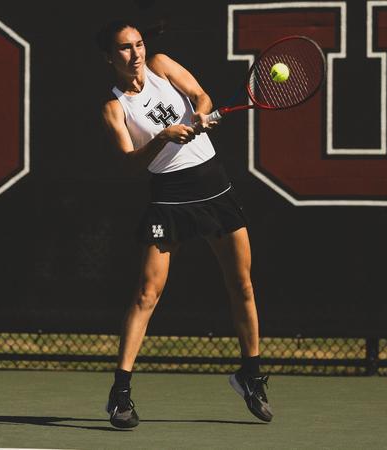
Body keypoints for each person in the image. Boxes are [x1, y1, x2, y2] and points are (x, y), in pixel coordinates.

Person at [96, 20, 273, 429]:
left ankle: (250, 374)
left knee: (242, 285)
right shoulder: (114, 107)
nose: (136, 53)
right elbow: (129, 164)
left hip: (214, 187)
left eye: (138, 44)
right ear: (110, 57)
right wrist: (162, 138)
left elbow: (201, 96)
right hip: (169, 199)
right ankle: (119, 394)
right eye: (124, 48)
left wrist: (202, 116)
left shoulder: (161, 64)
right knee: (146, 293)